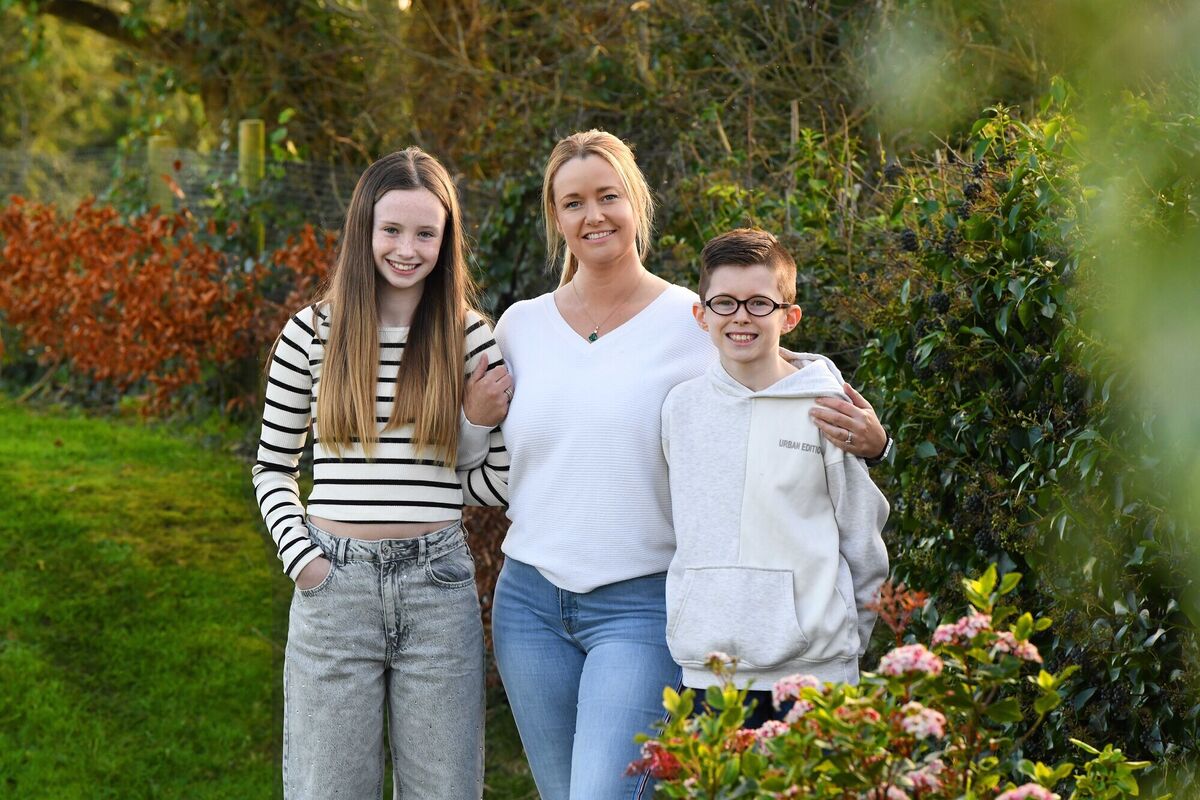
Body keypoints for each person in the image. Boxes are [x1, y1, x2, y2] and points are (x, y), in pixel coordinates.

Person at [487, 130, 891, 800]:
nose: (593, 215)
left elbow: (772, 372)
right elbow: (485, 460)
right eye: (573, 202)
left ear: (636, 202)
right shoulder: (519, 327)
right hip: (528, 606)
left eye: (608, 196)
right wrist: (474, 417)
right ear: (555, 217)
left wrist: (871, 439)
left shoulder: (691, 319)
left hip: (640, 606)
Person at [251, 147, 510, 800]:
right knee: (329, 788)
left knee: (444, 789)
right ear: (363, 228)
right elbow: (273, 466)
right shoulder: (310, 334)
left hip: (438, 587)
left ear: (446, 240)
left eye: (426, 233)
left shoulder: (470, 337)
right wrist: (305, 562)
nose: (407, 249)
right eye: (391, 229)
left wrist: (470, 423)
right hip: (334, 587)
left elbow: (499, 481)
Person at [660, 228, 890, 728]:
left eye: (760, 303)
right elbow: (674, 527)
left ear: (789, 317)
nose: (741, 316)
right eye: (725, 302)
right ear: (701, 315)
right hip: (709, 673)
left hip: (815, 675)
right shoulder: (681, 408)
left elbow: (861, 536)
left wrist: (847, 642)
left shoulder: (828, 409)